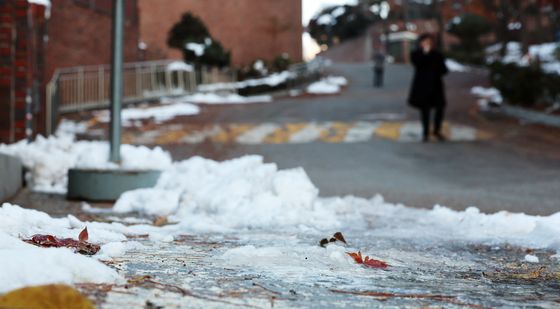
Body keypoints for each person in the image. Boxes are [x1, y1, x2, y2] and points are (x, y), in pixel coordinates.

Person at [407, 33, 449, 142]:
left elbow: (444, 70)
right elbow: (417, 63)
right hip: (422, 86)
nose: (427, 44)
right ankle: (425, 132)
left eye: (429, 42)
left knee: (440, 108)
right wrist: (425, 54)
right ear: (420, 43)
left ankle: (436, 130)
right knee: (424, 110)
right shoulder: (416, 54)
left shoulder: (437, 55)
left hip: (436, 86)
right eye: (424, 42)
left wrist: (436, 68)